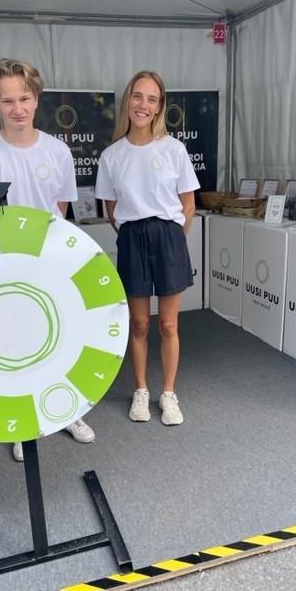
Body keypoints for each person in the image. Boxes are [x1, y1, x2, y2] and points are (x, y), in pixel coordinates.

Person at [0, 58, 95, 460]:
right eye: (7, 101)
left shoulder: (57, 151)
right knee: (14, 346)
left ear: (37, 98)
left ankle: (66, 410)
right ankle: (24, 422)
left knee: (59, 338)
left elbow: (60, 210)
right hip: (4, 270)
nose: (17, 108)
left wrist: (45, 256)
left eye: (24, 98)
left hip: (50, 264)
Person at [95, 70, 199, 426]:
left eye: (151, 99)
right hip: (131, 238)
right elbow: (112, 211)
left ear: (159, 107)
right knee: (139, 324)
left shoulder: (173, 149)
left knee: (168, 324)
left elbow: (188, 205)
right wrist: (135, 234)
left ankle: (168, 393)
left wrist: (171, 239)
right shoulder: (111, 155)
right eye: (138, 96)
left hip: (169, 236)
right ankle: (141, 389)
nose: (143, 104)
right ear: (128, 100)